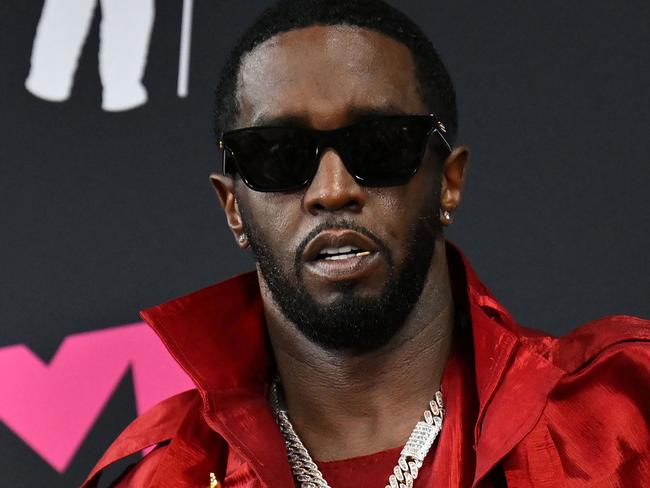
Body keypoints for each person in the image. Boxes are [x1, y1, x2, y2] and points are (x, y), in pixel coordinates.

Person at [82, 0, 650, 486]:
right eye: (279, 155)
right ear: (233, 207)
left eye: (379, 145)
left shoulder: (627, 413)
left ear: (448, 182)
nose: (333, 191)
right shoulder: (170, 475)